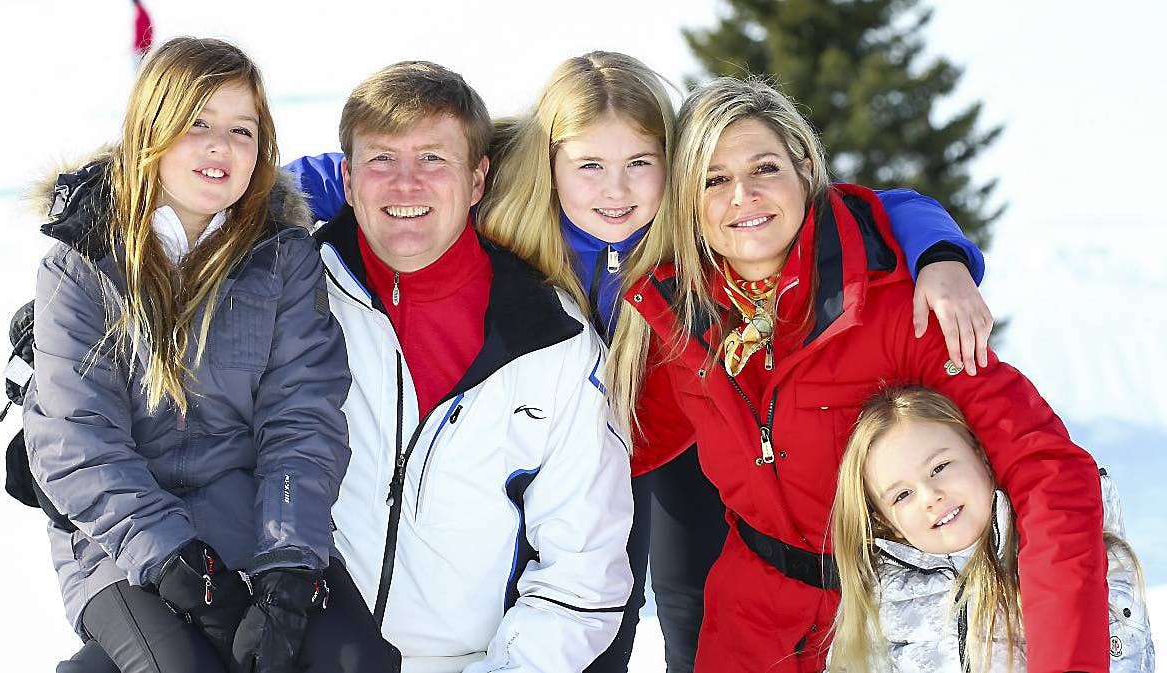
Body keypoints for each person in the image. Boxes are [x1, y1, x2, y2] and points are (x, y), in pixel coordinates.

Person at [287, 52, 992, 673]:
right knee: (587, 607)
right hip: (550, 429)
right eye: (589, 165)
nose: (615, 191)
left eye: (639, 165)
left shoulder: (700, 211)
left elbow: (877, 206)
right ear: (550, 159)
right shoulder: (500, 182)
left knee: (686, 592)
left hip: (667, 430)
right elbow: (351, 169)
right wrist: (255, 199)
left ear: (670, 163)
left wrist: (942, 257)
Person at [610, 75, 1110, 673]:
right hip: (746, 626)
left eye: (765, 168)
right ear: (687, 202)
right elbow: (613, 449)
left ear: (804, 170)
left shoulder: (900, 309)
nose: (742, 194)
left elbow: (1049, 474)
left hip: (889, 625)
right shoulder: (680, 324)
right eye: (714, 179)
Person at [24, 37, 398, 673]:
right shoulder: (83, 259)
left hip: (255, 522)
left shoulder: (283, 257)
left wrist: (287, 566)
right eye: (197, 122)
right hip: (123, 543)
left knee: (354, 661)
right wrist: (181, 568)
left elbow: (301, 420)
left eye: (241, 129)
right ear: (153, 130)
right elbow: (76, 442)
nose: (220, 147)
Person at [311, 60, 634, 673]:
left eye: (433, 159)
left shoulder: (553, 340)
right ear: (348, 180)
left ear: (479, 178)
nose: (406, 185)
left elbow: (583, 573)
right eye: (382, 160)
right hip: (300, 650)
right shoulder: (292, 298)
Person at [827, 386, 1155, 673]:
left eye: (939, 467)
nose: (930, 496)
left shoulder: (1064, 562)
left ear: (982, 457)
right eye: (902, 495)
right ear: (886, 521)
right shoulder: (879, 603)